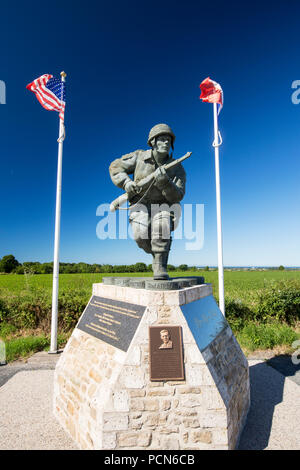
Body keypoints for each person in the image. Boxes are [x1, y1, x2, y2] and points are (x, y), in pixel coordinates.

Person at [109, 123, 186, 280]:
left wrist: (165, 182)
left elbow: (178, 195)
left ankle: (160, 265)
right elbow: (115, 167)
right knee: (140, 236)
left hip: (163, 205)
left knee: (161, 228)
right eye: (162, 139)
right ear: (153, 142)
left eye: (168, 140)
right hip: (139, 204)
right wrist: (126, 183)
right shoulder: (139, 157)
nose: (166, 143)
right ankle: (157, 254)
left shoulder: (177, 168)